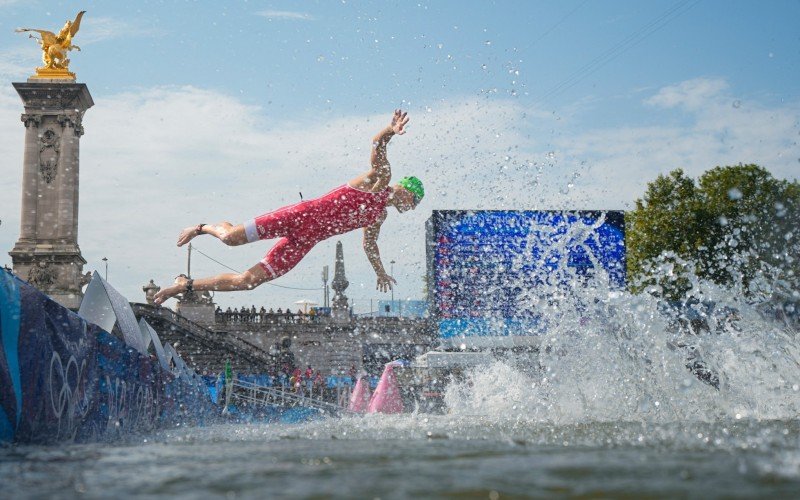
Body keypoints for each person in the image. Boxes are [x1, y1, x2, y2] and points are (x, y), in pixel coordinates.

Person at [154, 110, 424, 305]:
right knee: (229, 239)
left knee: (247, 282)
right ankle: (203, 227)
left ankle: (184, 285)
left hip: (306, 241)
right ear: (405, 189)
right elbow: (377, 145)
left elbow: (369, 245)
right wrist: (391, 130)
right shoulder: (381, 180)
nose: (411, 207)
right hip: (297, 217)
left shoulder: (379, 215)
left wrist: (380, 272)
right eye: (414, 200)